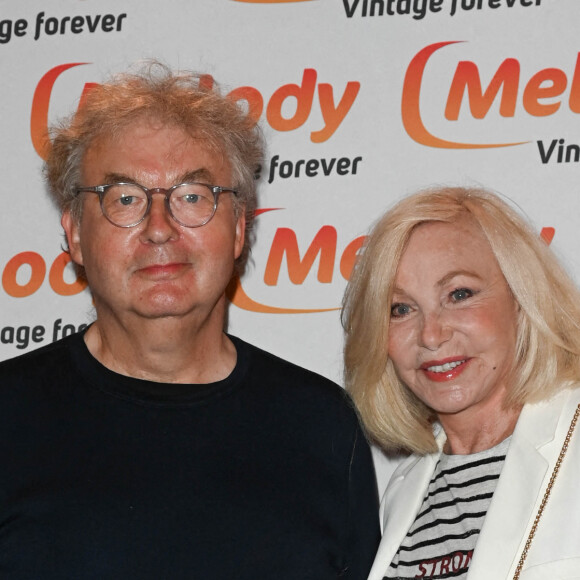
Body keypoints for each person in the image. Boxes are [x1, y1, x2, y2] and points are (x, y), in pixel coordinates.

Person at [0, 64, 380, 579]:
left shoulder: (324, 426)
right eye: (125, 199)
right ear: (74, 234)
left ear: (241, 228)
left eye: (193, 197)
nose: (160, 229)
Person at [342, 186, 580, 580]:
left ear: (521, 300)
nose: (431, 335)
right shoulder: (404, 489)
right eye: (400, 309)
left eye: (459, 294)